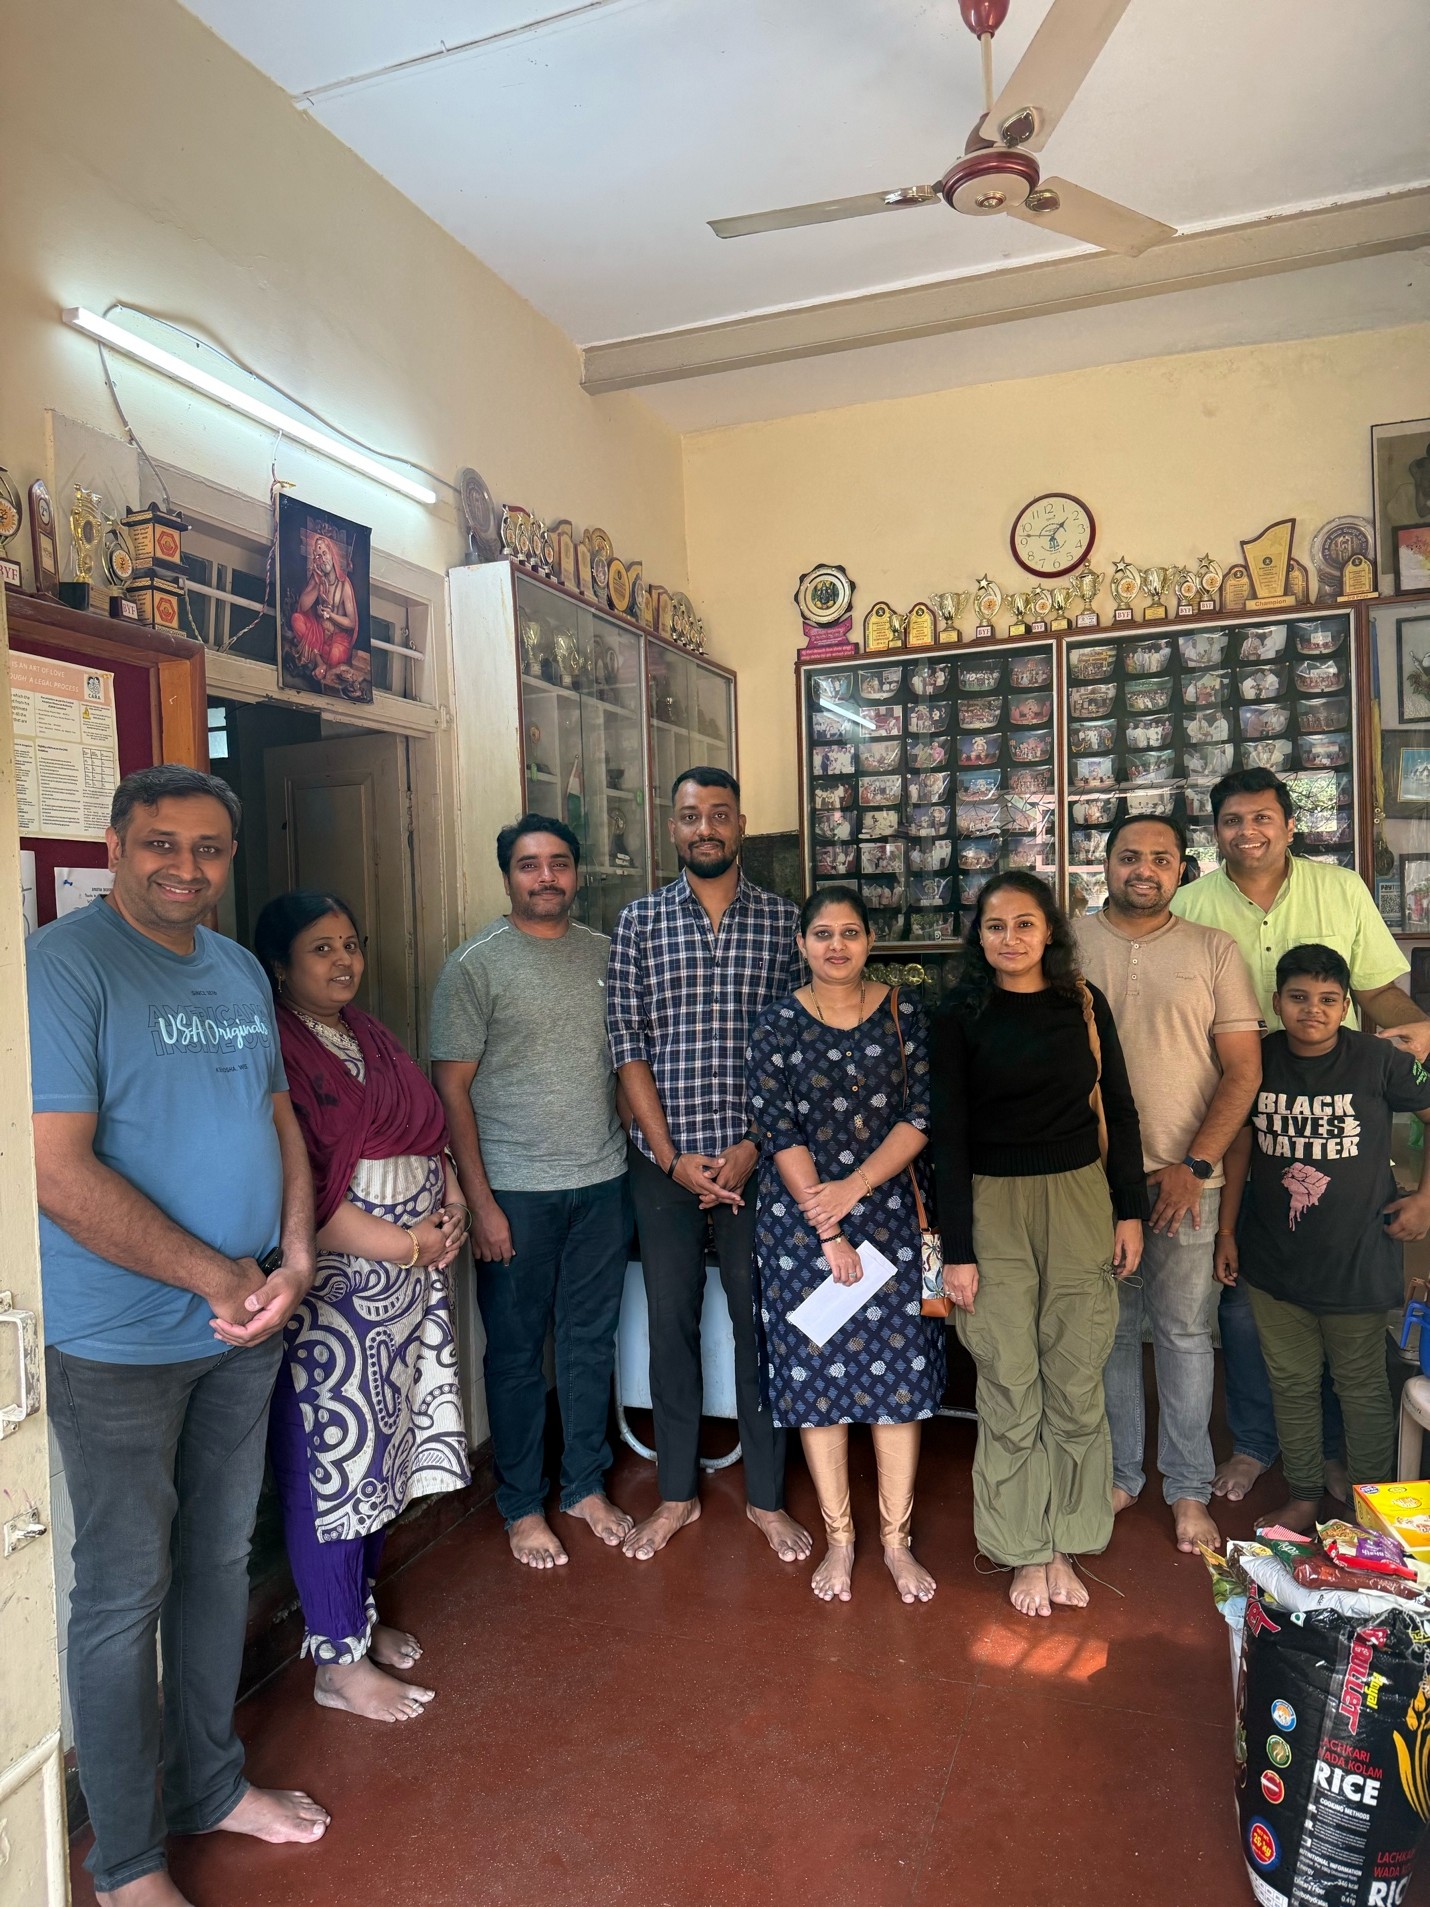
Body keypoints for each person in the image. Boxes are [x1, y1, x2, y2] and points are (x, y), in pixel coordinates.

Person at [27, 765, 329, 1907]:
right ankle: (130, 1861)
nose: (185, 867)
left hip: (244, 1320)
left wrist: (292, 1256)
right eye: (161, 842)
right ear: (115, 844)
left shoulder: (241, 967)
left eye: (207, 848)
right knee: (121, 1592)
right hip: (119, 1341)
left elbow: (275, 1116)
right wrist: (223, 1274)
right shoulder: (63, 966)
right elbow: (57, 1171)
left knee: (213, 1563)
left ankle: (211, 1785)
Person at [1171, 767, 1430, 1503]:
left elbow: (1377, 987)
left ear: (1290, 824)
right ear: (1214, 831)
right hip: (1232, 1114)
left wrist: (1421, 1028)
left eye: (1262, 818)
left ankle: (1347, 1465)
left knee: (1350, 1335)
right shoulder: (1190, 904)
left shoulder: (1339, 889)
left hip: (1332, 1117)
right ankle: (1261, 1446)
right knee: (1250, 1313)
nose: (1247, 832)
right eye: (1231, 820)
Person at [253, 891, 471, 1724]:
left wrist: (447, 1204)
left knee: (385, 1452)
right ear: (281, 964)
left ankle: (358, 1616)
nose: (344, 961)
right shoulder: (280, 1048)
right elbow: (301, 1183)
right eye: (321, 949)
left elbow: (427, 1134)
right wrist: (409, 1244)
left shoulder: (366, 1032)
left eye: (351, 943)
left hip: (407, 1286)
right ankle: (335, 1660)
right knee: (332, 1465)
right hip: (340, 1292)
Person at [606, 768, 812, 1565]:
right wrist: (670, 1156)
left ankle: (764, 1497)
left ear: (741, 823)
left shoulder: (783, 922)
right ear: (672, 826)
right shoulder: (640, 921)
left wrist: (755, 1144)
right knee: (670, 1326)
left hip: (756, 1163)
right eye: (691, 814)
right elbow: (627, 1045)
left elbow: (795, 1044)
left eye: (719, 814)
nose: (705, 827)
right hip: (665, 1165)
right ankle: (678, 1495)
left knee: (760, 1325)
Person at [929, 872, 1146, 1620]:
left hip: (1081, 1197)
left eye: (1025, 923)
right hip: (991, 1206)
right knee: (1009, 1376)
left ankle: (1067, 1540)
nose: (1011, 938)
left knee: (1076, 1369)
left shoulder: (1082, 1003)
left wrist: (1129, 1211)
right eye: (995, 925)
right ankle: (1024, 1545)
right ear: (978, 936)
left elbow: (1117, 1105)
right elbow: (947, 1134)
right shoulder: (957, 1013)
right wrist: (957, 1248)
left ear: (1049, 930)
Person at [431, 814, 633, 1569]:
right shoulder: (475, 965)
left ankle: (582, 1484)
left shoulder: (610, 956)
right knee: (516, 1352)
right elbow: (451, 1091)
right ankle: (521, 1503)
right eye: (528, 865)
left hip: (603, 1184)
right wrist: (481, 1203)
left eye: (558, 863)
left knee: (588, 1343)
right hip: (514, 1192)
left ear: (578, 872)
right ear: (507, 875)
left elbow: (623, 1069)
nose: (545, 876)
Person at [746, 887, 947, 1604]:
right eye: (822, 933)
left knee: (900, 1383)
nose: (836, 945)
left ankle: (896, 1542)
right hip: (801, 1228)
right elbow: (776, 1126)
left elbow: (923, 1113)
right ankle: (840, 1538)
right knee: (817, 1382)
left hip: (896, 1215)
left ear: (870, 940)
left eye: (851, 932)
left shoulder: (906, 1012)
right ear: (801, 944)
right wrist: (826, 1224)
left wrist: (855, 1187)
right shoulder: (775, 1023)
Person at [1075, 812, 1262, 1553]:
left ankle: (1186, 1487)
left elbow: (1243, 1070)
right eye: (1129, 856)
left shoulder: (1214, 949)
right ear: (1106, 864)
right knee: (1113, 1333)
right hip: (1089, 1183)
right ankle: (1122, 1474)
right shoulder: (1069, 944)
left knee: (1186, 1336)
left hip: (1188, 1180)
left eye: (1160, 857)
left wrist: (1196, 1167)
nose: (1143, 869)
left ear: (1183, 867)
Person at [1214, 944, 1430, 1532]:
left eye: (1329, 1000)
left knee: (1360, 1384)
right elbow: (1237, 1147)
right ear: (1277, 1002)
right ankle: (1305, 1493)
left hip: (1357, 1257)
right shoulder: (1256, 1061)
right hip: (1273, 1257)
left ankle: (1368, 1507)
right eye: (1300, 998)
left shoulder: (1377, 1059)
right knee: (1291, 1381)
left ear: (1346, 1008)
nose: (1314, 1010)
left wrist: (1425, 1198)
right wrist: (1227, 1231)